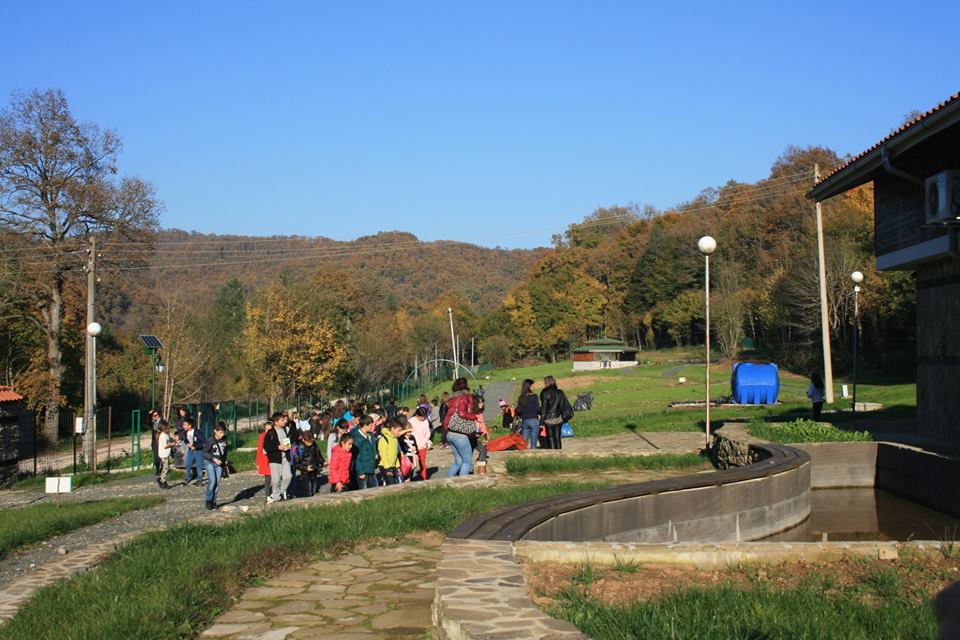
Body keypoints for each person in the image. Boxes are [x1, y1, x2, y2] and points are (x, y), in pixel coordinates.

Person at [443, 378, 480, 476]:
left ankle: (447, 482)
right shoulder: (464, 398)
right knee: (467, 461)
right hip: (460, 434)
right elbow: (462, 413)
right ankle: (462, 486)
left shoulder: (452, 399)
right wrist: (474, 417)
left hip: (450, 432)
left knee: (458, 462)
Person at [263, 411, 293, 503]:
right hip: (275, 459)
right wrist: (277, 447)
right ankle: (275, 497)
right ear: (276, 422)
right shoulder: (270, 433)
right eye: (282, 420)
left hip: (285, 458)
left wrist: (288, 447)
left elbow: (287, 441)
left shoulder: (286, 430)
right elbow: (266, 447)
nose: (284, 421)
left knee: (288, 476)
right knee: (275, 480)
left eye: (284, 420)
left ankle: (281, 492)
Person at [540, 375, 574, 450]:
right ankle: (559, 452)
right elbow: (563, 405)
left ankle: (553, 453)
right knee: (558, 437)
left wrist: (541, 423)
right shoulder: (560, 392)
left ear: (546, 383)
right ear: (554, 381)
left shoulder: (545, 393)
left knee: (551, 438)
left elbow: (543, 409)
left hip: (548, 420)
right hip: (558, 418)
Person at [202, 422, 229, 510]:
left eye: (223, 432)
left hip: (219, 464)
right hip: (209, 462)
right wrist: (213, 459)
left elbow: (225, 451)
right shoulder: (210, 440)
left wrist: (225, 460)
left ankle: (214, 501)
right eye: (220, 432)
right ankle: (208, 500)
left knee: (217, 483)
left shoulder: (224, 440)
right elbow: (204, 452)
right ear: (215, 431)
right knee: (212, 481)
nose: (222, 434)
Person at [350, 415, 378, 490]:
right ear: (365, 425)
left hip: (371, 468)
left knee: (375, 487)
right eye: (371, 425)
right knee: (364, 490)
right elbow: (357, 457)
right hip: (363, 469)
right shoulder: (356, 438)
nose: (372, 426)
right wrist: (360, 472)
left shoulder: (370, 435)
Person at [295, 431, 324, 497]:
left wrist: (322, 462)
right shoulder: (300, 448)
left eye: (311, 442)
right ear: (303, 440)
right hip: (305, 473)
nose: (310, 444)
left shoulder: (314, 445)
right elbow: (296, 463)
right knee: (308, 491)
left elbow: (318, 455)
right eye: (308, 442)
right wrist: (305, 468)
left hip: (314, 470)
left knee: (314, 490)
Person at [516, 379, 541, 450]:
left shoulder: (521, 397)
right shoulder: (534, 396)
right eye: (533, 386)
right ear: (529, 386)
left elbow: (519, 410)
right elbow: (538, 409)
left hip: (525, 421)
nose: (534, 387)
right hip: (534, 420)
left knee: (524, 443)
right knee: (533, 444)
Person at [409, 406, 431, 480]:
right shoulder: (411, 421)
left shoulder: (425, 421)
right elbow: (409, 433)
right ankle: (409, 478)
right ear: (417, 415)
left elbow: (428, 433)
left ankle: (423, 478)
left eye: (424, 417)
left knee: (422, 463)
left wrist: (425, 442)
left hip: (423, 446)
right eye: (421, 417)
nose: (423, 418)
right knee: (412, 463)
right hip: (413, 446)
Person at [377, 420, 403, 485]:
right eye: (398, 430)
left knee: (395, 483)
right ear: (392, 429)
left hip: (393, 465)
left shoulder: (395, 439)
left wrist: (397, 467)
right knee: (391, 484)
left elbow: (395, 454)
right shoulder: (384, 439)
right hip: (385, 466)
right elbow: (383, 455)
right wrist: (387, 469)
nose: (399, 433)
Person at [182, 418, 205, 485]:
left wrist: (196, 447)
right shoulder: (185, 432)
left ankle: (199, 479)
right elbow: (186, 440)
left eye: (185, 425)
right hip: (190, 451)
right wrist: (188, 444)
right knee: (188, 463)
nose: (184, 426)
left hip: (198, 451)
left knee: (199, 465)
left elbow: (203, 442)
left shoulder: (198, 432)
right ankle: (188, 478)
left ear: (190, 425)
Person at [256, 420, 272, 502]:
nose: (268, 431)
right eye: (267, 429)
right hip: (265, 459)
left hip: (273, 459)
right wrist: (258, 461)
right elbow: (259, 449)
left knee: (275, 478)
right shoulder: (262, 436)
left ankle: (272, 493)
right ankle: (268, 495)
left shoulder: (274, 435)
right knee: (268, 478)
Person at [156, 420, 176, 489]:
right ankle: (162, 480)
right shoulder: (163, 436)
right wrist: (171, 444)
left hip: (166, 454)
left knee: (166, 467)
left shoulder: (165, 435)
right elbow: (165, 446)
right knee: (166, 468)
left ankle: (162, 479)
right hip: (163, 454)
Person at [149, 409, 162, 475]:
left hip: (161, 441)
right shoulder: (153, 422)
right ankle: (158, 469)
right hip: (154, 441)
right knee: (156, 456)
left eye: (156, 415)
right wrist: (150, 414)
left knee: (161, 456)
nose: (155, 417)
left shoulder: (162, 422)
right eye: (153, 416)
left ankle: (162, 468)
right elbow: (147, 421)